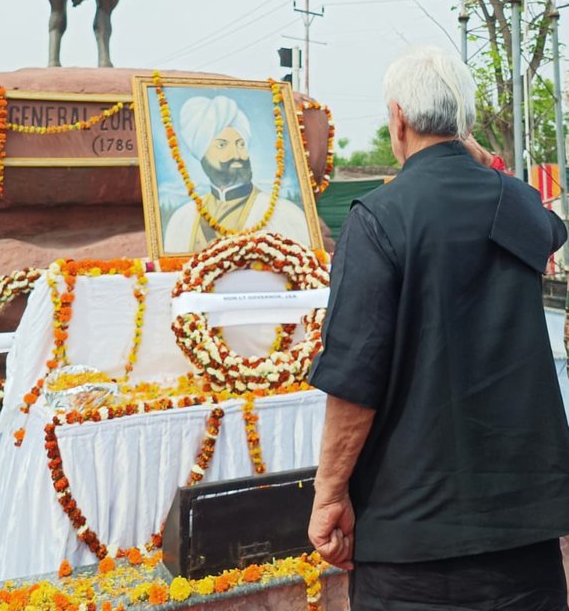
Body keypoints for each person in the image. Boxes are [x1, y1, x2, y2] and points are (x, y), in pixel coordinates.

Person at [308, 45, 569, 611]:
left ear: (397, 119)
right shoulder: (517, 206)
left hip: (412, 543)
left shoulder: (379, 218)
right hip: (523, 538)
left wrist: (328, 493)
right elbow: (551, 228)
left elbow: (355, 377)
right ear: (466, 124)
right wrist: (482, 162)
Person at [163, 95, 310, 252]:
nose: (236, 155)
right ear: (202, 154)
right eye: (222, 145)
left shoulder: (284, 214)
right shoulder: (183, 219)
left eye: (240, 144)